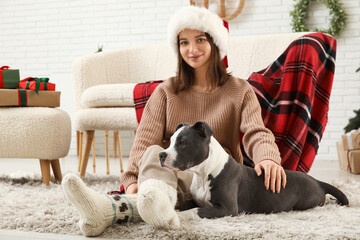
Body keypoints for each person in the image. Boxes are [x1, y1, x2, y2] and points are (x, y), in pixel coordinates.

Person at [62, 6, 286, 237]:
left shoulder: (239, 90)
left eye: (200, 40)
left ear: (215, 43)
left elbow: (256, 132)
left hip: (216, 180)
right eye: (184, 42)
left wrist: (267, 157)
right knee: (152, 153)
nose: (192, 49)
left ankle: (107, 209)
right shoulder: (166, 91)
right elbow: (145, 140)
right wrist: (130, 179)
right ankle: (146, 205)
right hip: (171, 176)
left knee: (154, 189)